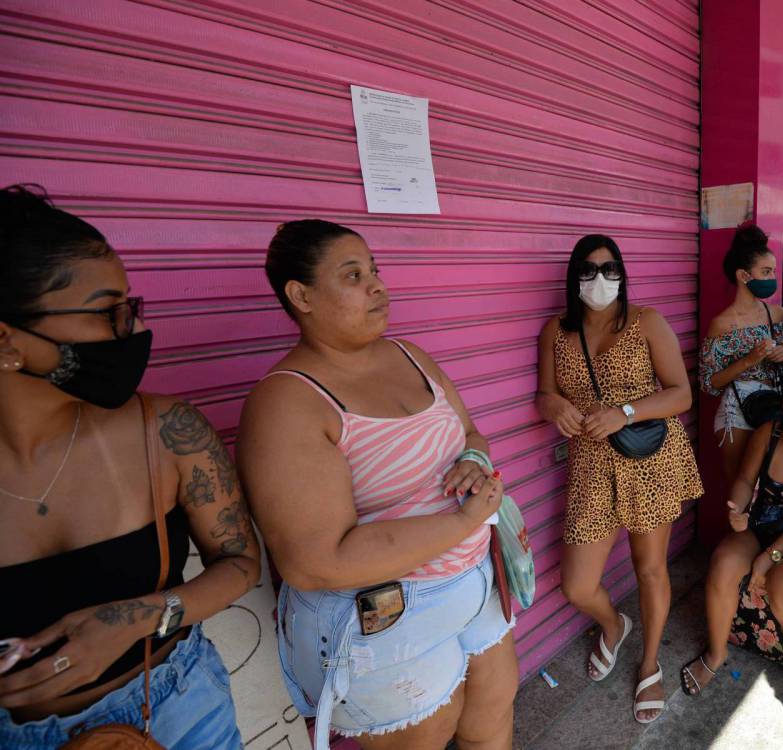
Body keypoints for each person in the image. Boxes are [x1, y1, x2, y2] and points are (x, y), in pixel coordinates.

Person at [237, 220, 516, 750]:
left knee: (493, 717)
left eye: (375, 271)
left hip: (472, 581)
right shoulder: (287, 403)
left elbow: (471, 431)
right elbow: (314, 561)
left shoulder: (410, 355)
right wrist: (461, 520)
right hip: (384, 615)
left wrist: (476, 458)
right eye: (353, 275)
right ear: (301, 296)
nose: (378, 286)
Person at [0, 185, 259, 749]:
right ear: (6, 341)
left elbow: (240, 562)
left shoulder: (167, 432)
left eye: (130, 308)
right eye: (107, 313)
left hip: (179, 707)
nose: (133, 332)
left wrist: (142, 616)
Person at [536, 233, 701, 724]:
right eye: (588, 270)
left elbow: (681, 394)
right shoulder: (555, 332)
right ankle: (614, 625)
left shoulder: (647, 321)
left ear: (623, 274)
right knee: (577, 585)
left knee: (650, 569)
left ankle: (650, 664)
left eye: (610, 269)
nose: (600, 279)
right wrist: (556, 406)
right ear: (573, 277)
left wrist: (625, 412)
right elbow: (544, 395)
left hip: (649, 460)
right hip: (590, 467)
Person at [679, 360, 783, 706]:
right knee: (724, 562)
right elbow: (745, 479)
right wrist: (738, 509)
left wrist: (768, 558)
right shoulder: (769, 432)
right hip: (760, 525)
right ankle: (715, 653)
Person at [700, 223, 783, 481]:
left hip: (775, 403)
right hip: (737, 410)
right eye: (765, 271)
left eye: (773, 271)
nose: (772, 278)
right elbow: (709, 383)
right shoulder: (722, 324)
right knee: (741, 486)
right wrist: (749, 360)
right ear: (743, 276)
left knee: (773, 483)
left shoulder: (777, 315)